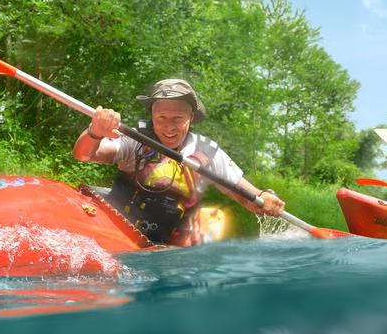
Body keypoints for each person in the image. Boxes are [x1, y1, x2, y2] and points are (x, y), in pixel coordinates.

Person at [72, 78, 285, 246]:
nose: (169, 127)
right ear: (152, 114)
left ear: (191, 117)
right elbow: (83, 154)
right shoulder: (134, 138)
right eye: (161, 118)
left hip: (167, 247)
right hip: (116, 230)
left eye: (177, 119)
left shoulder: (208, 152)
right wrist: (95, 132)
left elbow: (249, 197)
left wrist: (265, 198)